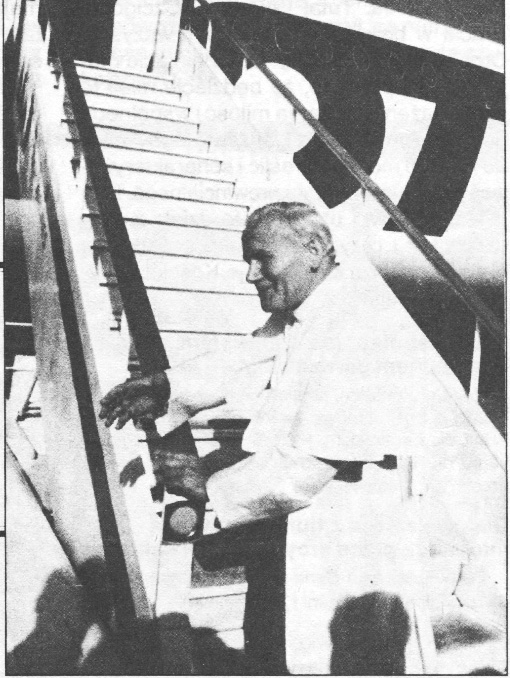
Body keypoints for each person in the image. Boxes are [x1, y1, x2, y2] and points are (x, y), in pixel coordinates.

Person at [100, 202, 438, 674]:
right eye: (248, 260)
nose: (250, 275)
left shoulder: (357, 324)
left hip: (340, 547)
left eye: (263, 258)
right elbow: (250, 358)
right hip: (285, 531)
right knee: (274, 650)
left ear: (315, 249)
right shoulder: (312, 313)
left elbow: (308, 467)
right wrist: (166, 387)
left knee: (331, 661)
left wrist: (207, 486)